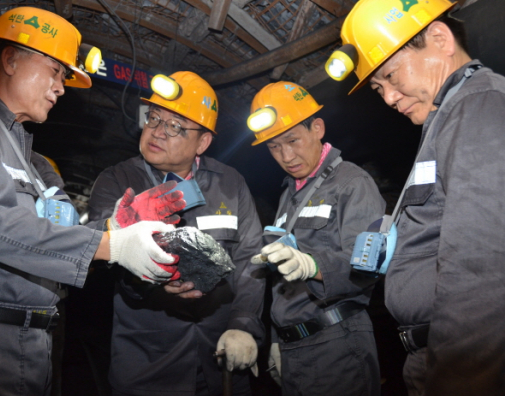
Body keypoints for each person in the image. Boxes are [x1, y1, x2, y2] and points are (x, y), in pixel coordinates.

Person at [0, 7, 184, 395]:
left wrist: (118, 229)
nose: (61, 87)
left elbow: (57, 237)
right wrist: (112, 245)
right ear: (10, 59)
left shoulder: (34, 161)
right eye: (55, 70)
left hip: (35, 339)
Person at [325, 0, 505, 394]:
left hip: (460, 363)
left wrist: (461, 377)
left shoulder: (478, 103)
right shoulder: (445, 119)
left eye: (391, 76)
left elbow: (482, 265)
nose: (388, 98)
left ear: (439, 39)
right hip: (432, 357)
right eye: (377, 88)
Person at [87, 71, 265, 395]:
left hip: (221, 359)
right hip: (148, 366)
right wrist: (131, 249)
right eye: (154, 118)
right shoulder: (116, 181)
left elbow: (251, 260)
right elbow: (96, 252)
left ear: (203, 142)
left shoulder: (230, 183)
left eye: (175, 126)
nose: (157, 132)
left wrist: (244, 325)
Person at [247, 82, 386, 395]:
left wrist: (311, 265)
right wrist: (277, 340)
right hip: (293, 348)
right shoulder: (288, 194)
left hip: (338, 343)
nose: (286, 155)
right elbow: (281, 284)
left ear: (317, 128)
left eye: (292, 140)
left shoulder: (352, 183)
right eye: (273, 147)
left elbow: (369, 266)